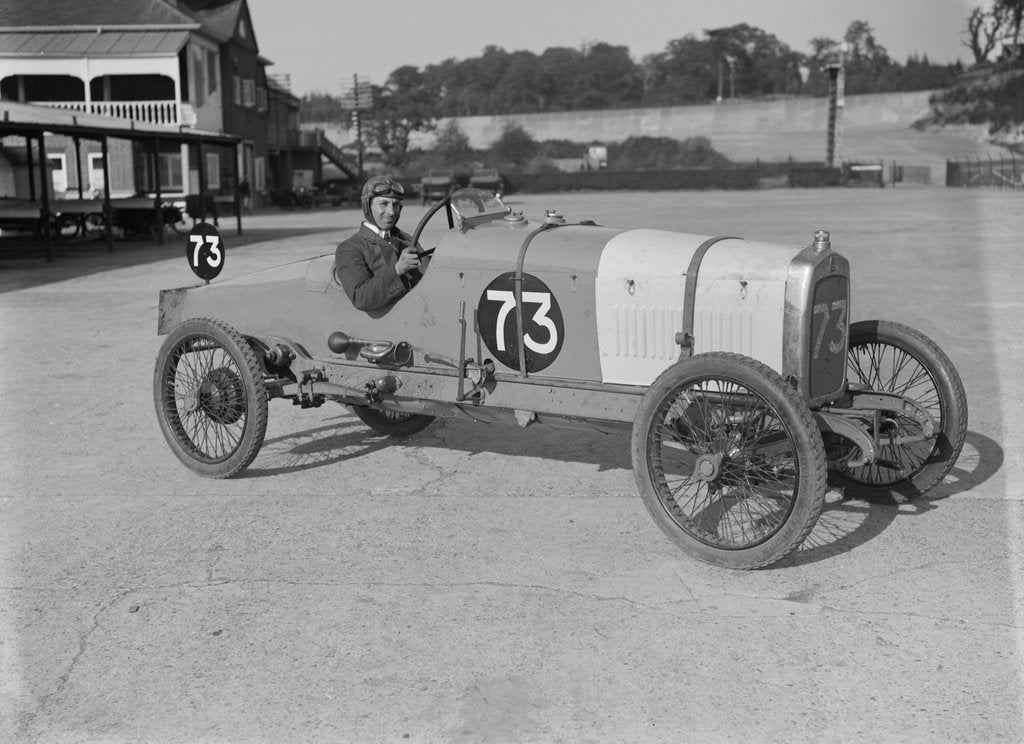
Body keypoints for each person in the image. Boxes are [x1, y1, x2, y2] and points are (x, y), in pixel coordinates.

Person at [335, 175, 426, 313]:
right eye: (383, 204)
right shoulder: (350, 248)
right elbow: (360, 297)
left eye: (395, 205)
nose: (391, 212)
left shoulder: (407, 241)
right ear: (367, 207)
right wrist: (397, 270)